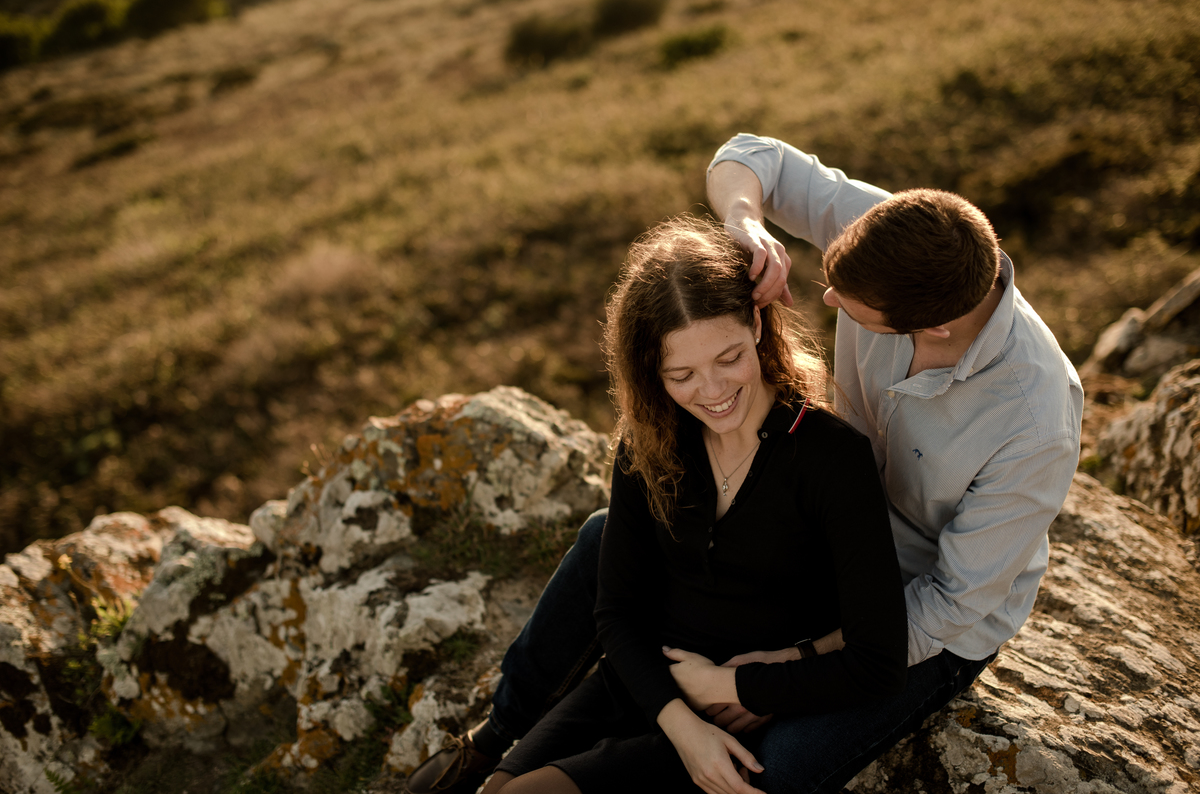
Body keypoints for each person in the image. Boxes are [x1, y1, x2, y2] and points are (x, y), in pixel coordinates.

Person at [404, 135, 1084, 794]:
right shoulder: (898, 244)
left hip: (921, 603)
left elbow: (951, 603)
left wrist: (793, 662)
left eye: (854, 309)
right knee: (605, 537)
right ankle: (494, 739)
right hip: (817, 536)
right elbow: (754, 156)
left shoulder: (1033, 418)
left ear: (931, 327)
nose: (825, 302)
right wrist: (745, 225)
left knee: (772, 767)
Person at [478, 215, 908, 794]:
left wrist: (749, 689)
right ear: (651, 371)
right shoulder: (651, 440)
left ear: (757, 323)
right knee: (500, 791)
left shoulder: (832, 457)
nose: (712, 391)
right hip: (645, 686)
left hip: (740, 716)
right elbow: (616, 612)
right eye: (681, 373)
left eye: (728, 358)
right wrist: (680, 723)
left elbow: (878, 659)